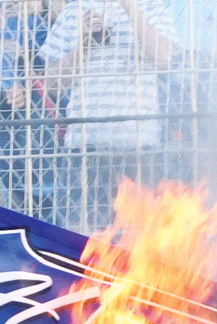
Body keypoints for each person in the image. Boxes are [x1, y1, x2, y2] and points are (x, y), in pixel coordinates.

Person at [38, 0, 177, 230]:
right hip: (84, 147)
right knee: (79, 235)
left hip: (139, 147)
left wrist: (130, 8)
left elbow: (164, 59)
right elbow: (52, 85)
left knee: (140, 236)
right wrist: (82, 41)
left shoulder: (153, 7)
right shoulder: (75, 11)